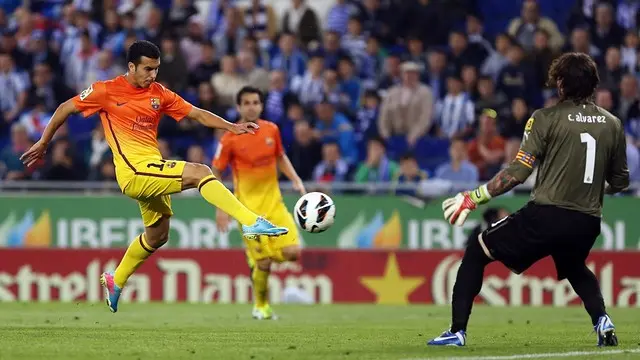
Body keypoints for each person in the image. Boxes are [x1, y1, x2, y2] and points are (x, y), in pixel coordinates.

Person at [19, 41, 289, 313]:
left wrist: (231, 126)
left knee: (158, 235)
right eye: (148, 69)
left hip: (151, 170)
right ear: (131, 66)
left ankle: (116, 279)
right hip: (133, 172)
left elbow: (196, 113)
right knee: (201, 172)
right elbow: (66, 107)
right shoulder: (106, 90)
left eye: (157, 69)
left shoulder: (159, 93)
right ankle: (252, 221)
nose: (152, 75)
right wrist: (44, 142)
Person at [430, 52, 629, 347]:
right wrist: (585, 189)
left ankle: (457, 331)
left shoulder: (545, 118)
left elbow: (519, 171)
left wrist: (474, 197)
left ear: (560, 83)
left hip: (547, 215)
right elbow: (620, 181)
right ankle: (602, 320)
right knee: (574, 266)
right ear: (592, 83)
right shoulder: (612, 123)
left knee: (477, 249)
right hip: (588, 221)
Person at [212, 86, 306, 320]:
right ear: (239, 107)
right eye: (246, 103)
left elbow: (280, 156)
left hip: (275, 205)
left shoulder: (271, 130)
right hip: (248, 213)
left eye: (255, 102)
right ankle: (261, 307)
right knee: (264, 264)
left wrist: (295, 179)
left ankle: (256, 261)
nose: (251, 106)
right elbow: (215, 174)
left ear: (261, 106)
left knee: (293, 253)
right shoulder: (229, 138)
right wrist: (221, 208)